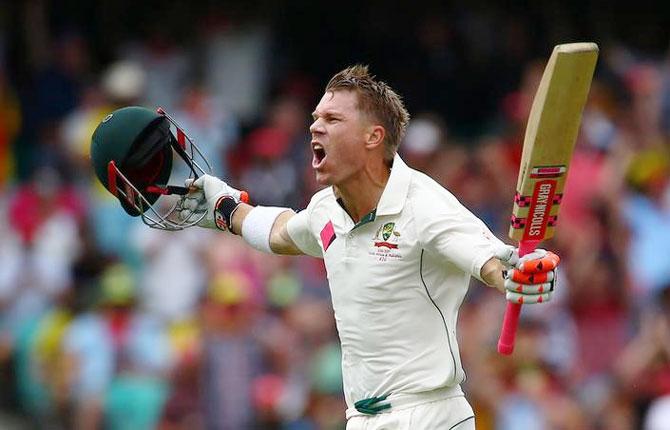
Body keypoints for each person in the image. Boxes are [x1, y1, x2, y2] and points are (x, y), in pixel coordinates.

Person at [91, 65, 559, 429]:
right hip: (362, 417)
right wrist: (226, 208)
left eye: (332, 119)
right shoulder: (326, 209)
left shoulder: (426, 206)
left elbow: (491, 259)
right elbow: (281, 231)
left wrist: (520, 274)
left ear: (374, 137)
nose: (315, 128)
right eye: (315, 118)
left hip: (430, 416)